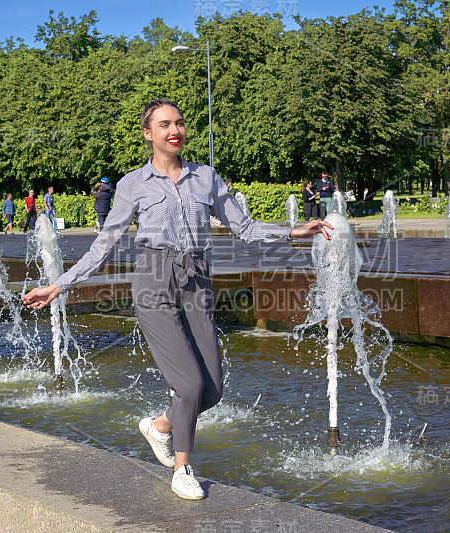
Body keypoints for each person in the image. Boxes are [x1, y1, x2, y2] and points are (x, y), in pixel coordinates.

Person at [22, 99, 331, 501]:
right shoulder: (134, 183)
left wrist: (293, 233)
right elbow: (105, 244)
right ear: (148, 134)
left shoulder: (206, 177)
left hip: (197, 280)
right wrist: (59, 285)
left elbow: (244, 227)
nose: (176, 129)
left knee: (213, 389)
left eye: (180, 123)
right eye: (165, 123)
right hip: (154, 281)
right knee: (188, 384)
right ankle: (183, 467)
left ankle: (161, 426)